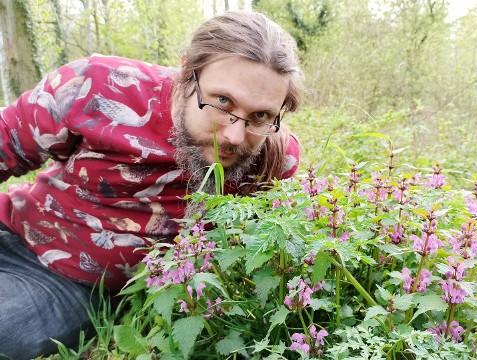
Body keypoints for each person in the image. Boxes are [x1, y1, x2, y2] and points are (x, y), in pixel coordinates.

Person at [0, 10, 303, 359]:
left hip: (63, 283)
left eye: (261, 116)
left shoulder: (274, 161)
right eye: (222, 102)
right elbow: (8, 142)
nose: (234, 136)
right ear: (187, 72)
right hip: (14, 227)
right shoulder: (95, 86)